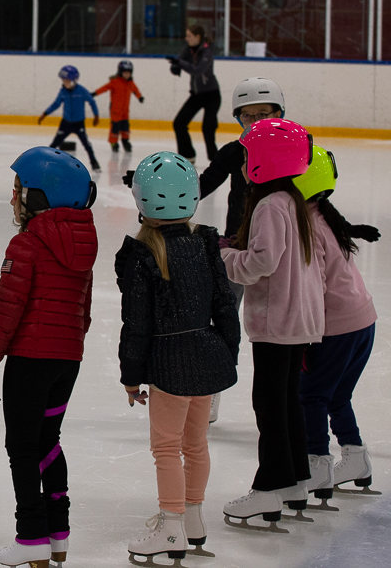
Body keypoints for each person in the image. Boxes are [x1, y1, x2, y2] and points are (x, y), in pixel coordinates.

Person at [0, 147, 98, 568]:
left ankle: (30, 537)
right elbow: (84, 311)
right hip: (68, 361)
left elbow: (7, 310)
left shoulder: (26, 244)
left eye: (19, 190)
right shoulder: (83, 244)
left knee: (22, 448)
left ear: (40, 198)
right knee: (48, 442)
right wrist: (68, 349)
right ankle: (57, 535)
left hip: (29, 360)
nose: (13, 198)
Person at [117, 152, 240, 564]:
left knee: (166, 448)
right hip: (207, 357)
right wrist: (225, 353)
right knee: (196, 444)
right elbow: (225, 306)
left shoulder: (141, 255)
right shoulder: (205, 243)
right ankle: (193, 520)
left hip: (171, 364)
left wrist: (130, 376)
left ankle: (171, 528)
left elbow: (136, 324)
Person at [219, 118, 322, 532]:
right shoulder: (293, 200)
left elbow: (262, 263)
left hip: (278, 320)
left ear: (264, 162)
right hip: (297, 318)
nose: (242, 164)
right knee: (286, 399)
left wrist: (224, 260)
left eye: (246, 156)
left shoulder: (268, 205)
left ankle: (270, 488)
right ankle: (296, 480)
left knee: (269, 403)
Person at [293, 146, 382, 505]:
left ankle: (318, 464)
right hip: (363, 320)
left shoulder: (308, 225)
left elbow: (315, 287)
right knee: (337, 395)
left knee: (310, 394)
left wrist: (307, 337)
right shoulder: (324, 215)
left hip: (339, 327)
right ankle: (356, 457)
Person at [198, 77, 286, 423]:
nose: (257, 122)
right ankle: (211, 392)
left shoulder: (297, 148)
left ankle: (288, 401)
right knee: (221, 321)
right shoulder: (235, 152)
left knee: (283, 328)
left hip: (281, 254)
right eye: (248, 117)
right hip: (236, 248)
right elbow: (203, 184)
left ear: (280, 112)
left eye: (264, 113)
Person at [167, 26, 221, 165]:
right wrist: (175, 66)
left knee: (208, 127)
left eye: (189, 36)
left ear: (198, 37)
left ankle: (215, 159)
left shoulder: (207, 51)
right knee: (179, 123)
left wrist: (180, 63)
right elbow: (180, 62)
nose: (187, 38)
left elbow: (197, 71)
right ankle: (187, 155)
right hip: (196, 95)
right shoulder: (188, 49)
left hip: (212, 95)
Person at [37, 65, 102, 172]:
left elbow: (92, 101)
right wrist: (45, 113)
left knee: (87, 145)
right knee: (54, 144)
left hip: (79, 123)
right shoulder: (63, 92)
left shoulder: (81, 90)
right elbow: (56, 104)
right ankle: (45, 161)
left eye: (67, 81)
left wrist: (96, 115)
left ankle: (94, 163)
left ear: (74, 80)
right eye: (63, 81)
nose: (65, 83)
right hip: (66, 123)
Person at [92, 59, 144, 153]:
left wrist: (139, 97)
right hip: (115, 110)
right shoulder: (115, 82)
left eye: (129, 73)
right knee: (115, 127)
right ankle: (113, 143)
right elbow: (104, 88)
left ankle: (125, 141)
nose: (127, 75)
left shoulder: (130, 83)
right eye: (125, 72)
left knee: (125, 127)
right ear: (120, 72)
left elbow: (135, 90)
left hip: (125, 111)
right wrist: (95, 93)